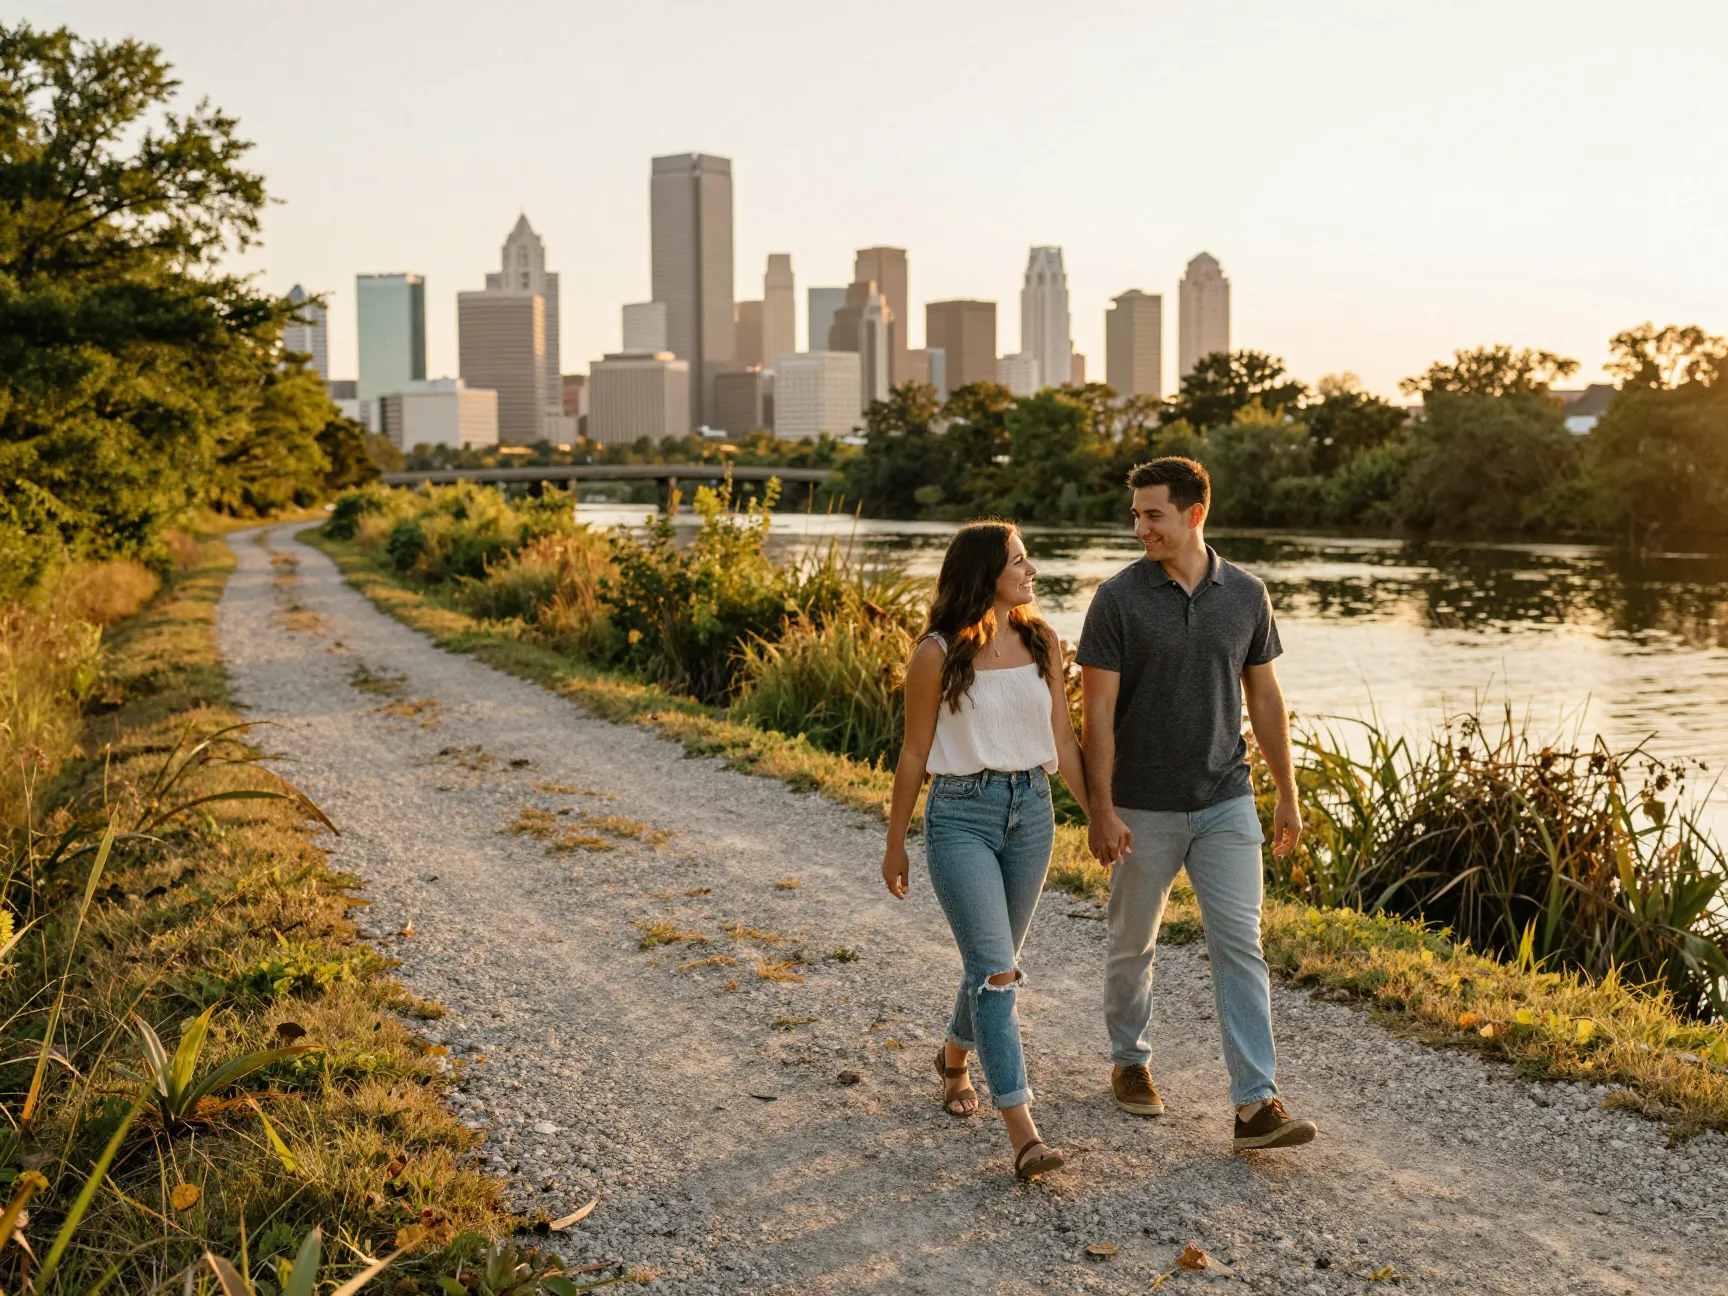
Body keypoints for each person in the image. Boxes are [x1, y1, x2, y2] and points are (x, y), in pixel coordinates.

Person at [1077, 457, 1319, 1151]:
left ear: (1194, 515)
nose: (1139, 527)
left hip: (1226, 800)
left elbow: (1265, 699)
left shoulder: (1246, 594)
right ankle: (1130, 1061)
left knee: (1241, 944)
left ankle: (1255, 1105)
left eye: (1152, 514)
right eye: (1135, 514)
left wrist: (1286, 797)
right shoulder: (1117, 600)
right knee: (1132, 944)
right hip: (1142, 807)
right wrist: (1101, 808)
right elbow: (1097, 715)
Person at [881, 520, 1093, 1181]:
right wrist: (895, 845)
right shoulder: (935, 653)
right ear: (984, 573)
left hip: (1031, 813)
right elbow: (915, 751)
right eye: (1019, 561)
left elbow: (1062, 738)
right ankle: (1025, 1134)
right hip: (960, 819)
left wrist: (1100, 817)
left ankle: (952, 1057)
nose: (1032, 572)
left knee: (993, 965)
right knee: (998, 977)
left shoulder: (1041, 640)